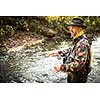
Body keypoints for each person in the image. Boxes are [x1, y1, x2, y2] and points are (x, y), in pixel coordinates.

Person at [49, 18, 92, 83]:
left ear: (80, 28)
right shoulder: (78, 39)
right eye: (70, 27)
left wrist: (61, 67)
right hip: (73, 75)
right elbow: (71, 50)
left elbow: (78, 65)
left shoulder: (83, 43)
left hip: (78, 79)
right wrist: (58, 53)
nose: (70, 29)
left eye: (73, 27)